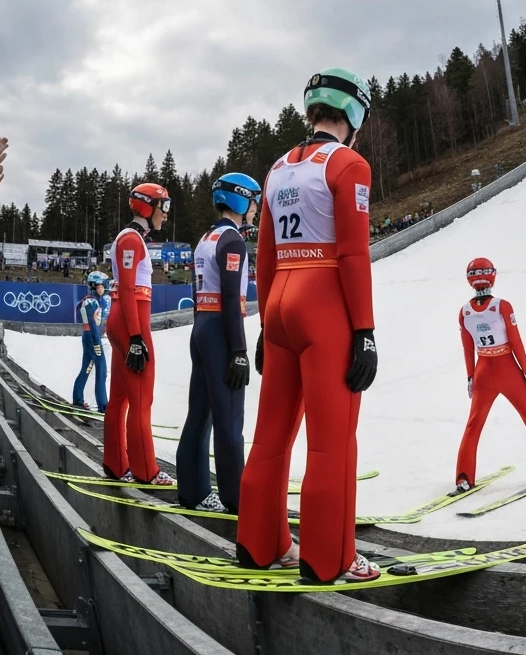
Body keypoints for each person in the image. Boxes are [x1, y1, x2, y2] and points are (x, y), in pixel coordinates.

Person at [236, 68, 379, 585]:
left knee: (271, 434)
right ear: (354, 114)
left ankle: (258, 544)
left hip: (278, 303)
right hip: (323, 303)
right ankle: (329, 558)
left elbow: (265, 256)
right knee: (331, 441)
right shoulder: (349, 163)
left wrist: (263, 325)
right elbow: (352, 254)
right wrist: (364, 329)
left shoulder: (277, 169)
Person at [176, 172, 260, 513]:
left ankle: (192, 491)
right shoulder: (233, 240)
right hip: (222, 330)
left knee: (200, 414)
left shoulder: (206, 237)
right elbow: (229, 296)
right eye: (253, 200)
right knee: (229, 419)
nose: (255, 208)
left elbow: (200, 294)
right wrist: (239, 349)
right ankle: (236, 499)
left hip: (203, 327)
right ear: (240, 200)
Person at [454, 257, 526, 491]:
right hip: (507, 368)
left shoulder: (464, 312)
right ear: (492, 276)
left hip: (483, 369)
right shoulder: (502, 306)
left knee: (474, 425)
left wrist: (470, 376)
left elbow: (467, 347)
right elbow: (516, 340)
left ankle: (463, 477)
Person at [102, 182, 174, 485]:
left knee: (119, 397)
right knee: (142, 398)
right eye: (164, 207)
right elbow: (129, 289)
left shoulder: (131, 237)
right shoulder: (131, 239)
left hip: (123, 318)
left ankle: (116, 463)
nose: (166, 215)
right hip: (132, 319)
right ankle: (146, 471)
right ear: (148, 206)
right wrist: (135, 337)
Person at [73, 270, 110, 412]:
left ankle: (78, 399)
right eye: (101, 286)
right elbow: (93, 324)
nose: (104, 289)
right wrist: (96, 343)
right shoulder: (91, 302)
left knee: (87, 369)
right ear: (95, 286)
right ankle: (103, 404)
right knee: (101, 371)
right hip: (92, 337)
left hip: (88, 336)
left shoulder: (90, 300)